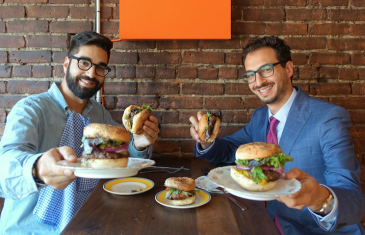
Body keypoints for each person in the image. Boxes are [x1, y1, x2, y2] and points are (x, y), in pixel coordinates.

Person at [190, 36, 365, 234]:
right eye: (250, 74)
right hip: (267, 224)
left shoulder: (328, 117)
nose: (258, 82)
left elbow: (355, 199)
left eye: (266, 69)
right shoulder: (260, 117)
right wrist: (205, 140)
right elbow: (230, 149)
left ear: (288, 69)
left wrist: (319, 199)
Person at [0, 31, 159, 234]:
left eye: (100, 67)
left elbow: (117, 156)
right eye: (84, 62)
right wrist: (37, 169)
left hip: (85, 225)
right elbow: (4, 168)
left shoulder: (99, 114)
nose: (92, 74)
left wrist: (138, 143)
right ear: (66, 64)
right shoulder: (31, 109)